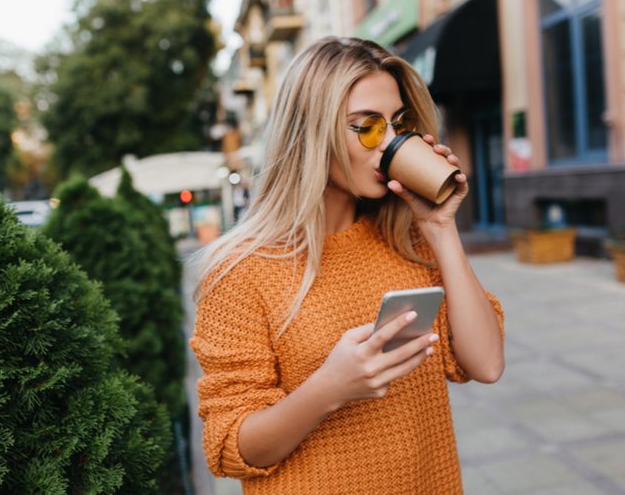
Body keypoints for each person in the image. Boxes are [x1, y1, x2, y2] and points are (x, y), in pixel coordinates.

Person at [189, 36, 504, 494]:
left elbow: (487, 363)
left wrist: (440, 228)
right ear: (312, 132)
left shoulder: (408, 238)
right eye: (368, 127)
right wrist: (330, 388)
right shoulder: (240, 270)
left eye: (399, 123)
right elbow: (230, 448)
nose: (391, 144)